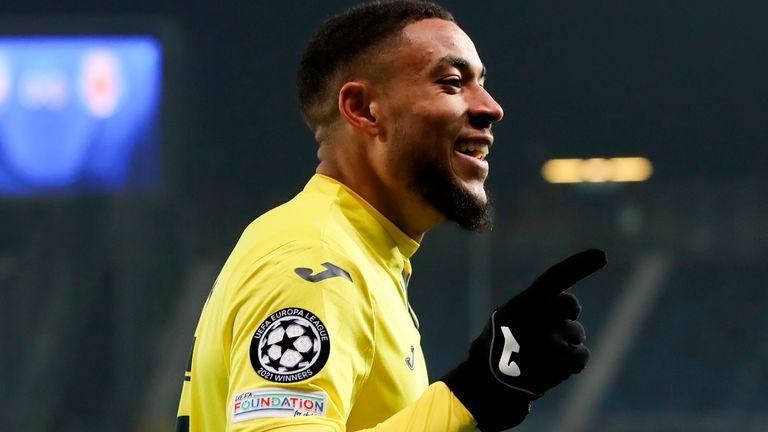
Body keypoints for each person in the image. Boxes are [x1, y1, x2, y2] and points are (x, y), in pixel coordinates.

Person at [176, 1, 606, 431]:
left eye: (482, 83)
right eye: (453, 82)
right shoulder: (315, 265)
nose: (491, 108)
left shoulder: (361, 255)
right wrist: (476, 394)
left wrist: (480, 393)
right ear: (363, 109)